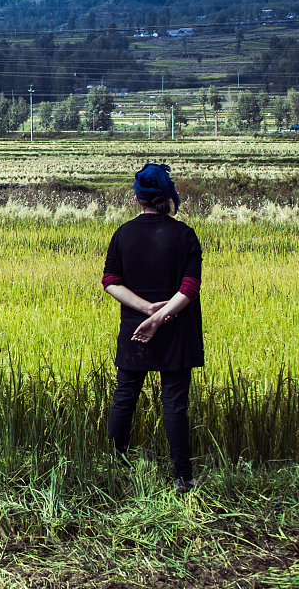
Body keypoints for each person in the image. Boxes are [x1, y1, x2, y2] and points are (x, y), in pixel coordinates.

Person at [102, 163, 203, 492]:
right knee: (174, 402)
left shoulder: (122, 235)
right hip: (176, 329)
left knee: (125, 398)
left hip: (135, 330)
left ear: (137, 197)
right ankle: (183, 477)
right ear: (166, 197)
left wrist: (146, 313)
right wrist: (159, 317)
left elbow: (110, 283)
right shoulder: (184, 235)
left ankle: (116, 471)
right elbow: (189, 289)